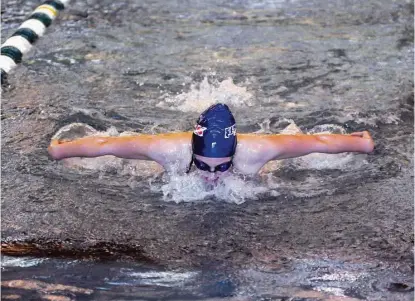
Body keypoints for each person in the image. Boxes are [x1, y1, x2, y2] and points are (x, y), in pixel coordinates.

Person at [48, 103, 374, 182]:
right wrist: (60, 150)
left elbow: (315, 141)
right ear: (192, 153)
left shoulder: (258, 151)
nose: (212, 176)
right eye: (203, 166)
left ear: (235, 154)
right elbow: (106, 145)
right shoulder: (167, 150)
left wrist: (361, 144)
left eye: (222, 167)